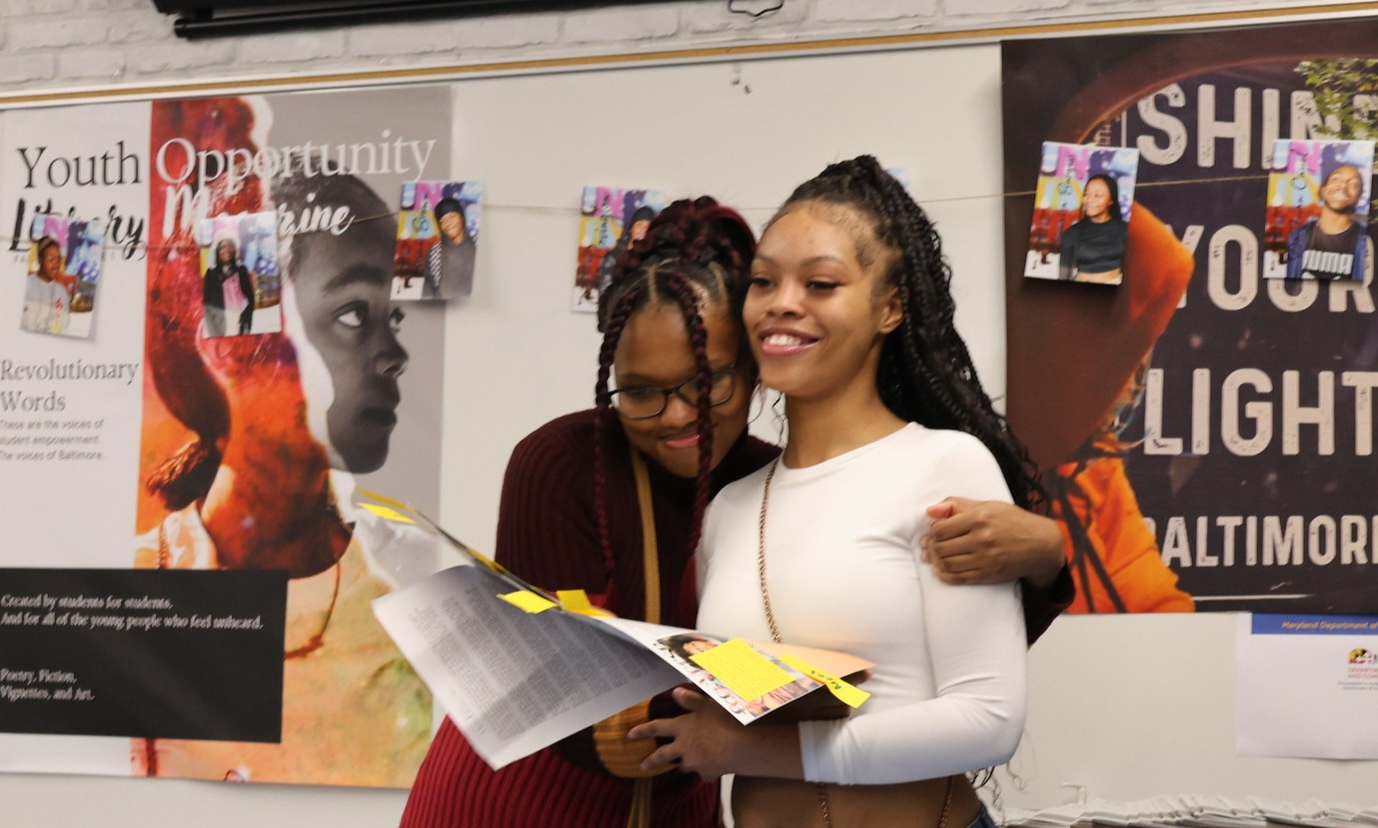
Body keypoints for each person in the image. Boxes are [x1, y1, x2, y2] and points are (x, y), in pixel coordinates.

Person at [399, 197, 1071, 828]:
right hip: (525, 796)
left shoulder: (767, 481)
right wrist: (748, 721)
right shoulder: (563, 461)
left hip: (672, 801)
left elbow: (949, 662)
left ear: (752, 366)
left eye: (706, 381)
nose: (677, 418)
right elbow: (553, 679)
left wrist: (1045, 557)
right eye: (639, 393)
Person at [634, 158, 1046, 828]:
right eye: (763, 281)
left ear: (888, 306)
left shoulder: (942, 466)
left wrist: (756, 750)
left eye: (820, 283)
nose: (782, 302)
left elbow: (987, 723)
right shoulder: (728, 508)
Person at [131, 101, 424, 785]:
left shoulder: (406, 602)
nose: (396, 354)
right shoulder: (138, 586)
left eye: (395, 316)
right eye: (354, 313)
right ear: (236, 340)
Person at [1285, 163, 1368, 280]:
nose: (1343, 185)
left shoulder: (1366, 243)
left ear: (1358, 198)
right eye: (1336, 179)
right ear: (1323, 190)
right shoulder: (1295, 238)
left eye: (1353, 184)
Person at [1056, 174, 1129, 283]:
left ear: (1111, 200)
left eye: (1097, 195)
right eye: (1086, 194)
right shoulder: (1072, 233)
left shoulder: (1125, 229)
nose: (1089, 200)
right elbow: (1064, 276)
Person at [201, 237, 256, 338]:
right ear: (218, 252)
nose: (227, 249)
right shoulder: (211, 274)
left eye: (230, 246)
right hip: (220, 325)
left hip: (240, 322)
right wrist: (213, 330)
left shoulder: (242, 271)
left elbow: (250, 299)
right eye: (223, 247)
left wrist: (246, 323)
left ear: (234, 250)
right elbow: (206, 305)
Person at [423, 197, 476, 300]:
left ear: (461, 218)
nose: (448, 223)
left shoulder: (476, 245)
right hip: (445, 309)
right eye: (443, 220)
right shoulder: (434, 253)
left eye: (452, 217)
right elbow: (429, 290)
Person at [21, 237, 73, 335]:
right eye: (51, 259)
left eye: (58, 259)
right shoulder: (26, 285)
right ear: (40, 260)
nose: (56, 264)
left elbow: (64, 327)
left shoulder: (61, 290)